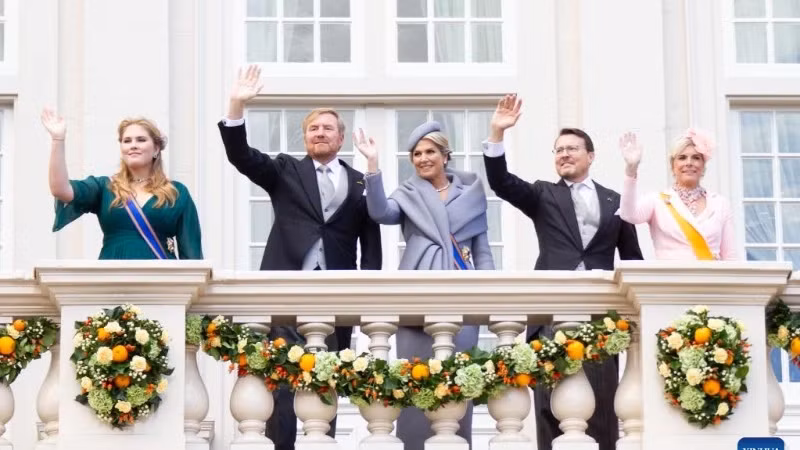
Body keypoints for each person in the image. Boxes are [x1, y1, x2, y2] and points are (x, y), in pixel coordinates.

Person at [217, 65, 382, 450]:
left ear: (341, 138)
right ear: (305, 137)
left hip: (338, 296)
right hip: (285, 290)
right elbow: (241, 155)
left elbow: (370, 244)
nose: (319, 133)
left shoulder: (360, 181)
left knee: (329, 383)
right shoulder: (285, 170)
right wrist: (237, 105)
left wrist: (366, 295)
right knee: (283, 384)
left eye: (327, 128)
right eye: (313, 128)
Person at [482, 95, 643, 450]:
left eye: (572, 148)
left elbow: (633, 260)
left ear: (591, 155)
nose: (564, 154)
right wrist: (497, 133)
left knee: (600, 411)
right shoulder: (542, 195)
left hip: (601, 324)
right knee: (550, 412)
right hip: (550, 320)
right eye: (558, 150)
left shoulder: (616, 201)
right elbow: (501, 182)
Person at [354, 121, 493, 450]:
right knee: (416, 383)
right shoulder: (408, 194)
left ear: (446, 155)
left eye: (430, 151)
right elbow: (380, 212)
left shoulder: (471, 193)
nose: (423, 158)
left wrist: (489, 292)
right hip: (416, 291)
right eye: (416, 153)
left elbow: (483, 249)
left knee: (460, 385)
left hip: (461, 293)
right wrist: (372, 165)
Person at [44, 109, 203, 260]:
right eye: (127, 141)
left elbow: (192, 254)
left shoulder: (176, 192)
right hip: (113, 278)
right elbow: (60, 189)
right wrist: (58, 140)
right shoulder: (105, 187)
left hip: (160, 280)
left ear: (156, 149)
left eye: (141, 140)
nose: (133, 145)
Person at [618, 130, 737, 260]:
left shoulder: (720, 204)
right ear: (673, 166)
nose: (689, 162)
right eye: (682, 158)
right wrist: (631, 169)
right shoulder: (657, 201)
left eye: (696, 158)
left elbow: (730, 256)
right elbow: (628, 214)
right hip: (671, 278)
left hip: (711, 279)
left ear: (703, 166)